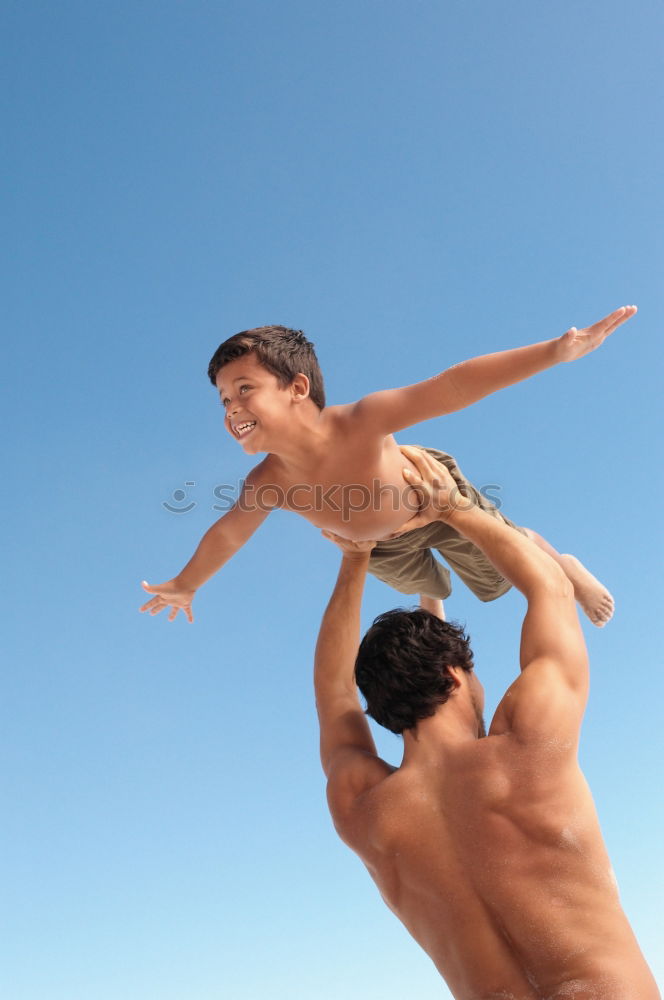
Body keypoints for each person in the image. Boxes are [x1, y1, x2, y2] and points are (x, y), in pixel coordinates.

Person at [313, 446, 660, 1000]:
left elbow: (332, 694)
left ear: (376, 705)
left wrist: (357, 559)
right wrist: (453, 509)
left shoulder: (364, 809)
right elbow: (552, 588)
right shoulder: (528, 744)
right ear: (457, 676)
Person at [140, 307, 636, 625]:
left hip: (434, 499)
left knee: (498, 577)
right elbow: (229, 533)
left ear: (297, 388)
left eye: (244, 389)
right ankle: (431, 598)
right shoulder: (268, 481)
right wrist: (187, 583)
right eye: (224, 400)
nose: (231, 409)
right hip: (378, 546)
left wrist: (554, 352)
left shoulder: (362, 419)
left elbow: (452, 387)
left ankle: (562, 563)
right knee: (418, 581)